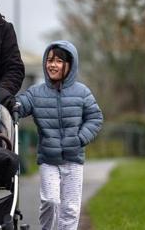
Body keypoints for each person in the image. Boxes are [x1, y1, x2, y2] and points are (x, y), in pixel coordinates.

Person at [16, 40, 103, 229]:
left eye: (58, 61)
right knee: (51, 200)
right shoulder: (36, 93)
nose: (52, 65)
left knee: (70, 209)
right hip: (49, 159)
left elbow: (95, 118)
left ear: (69, 65)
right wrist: (9, 103)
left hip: (73, 159)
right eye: (49, 60)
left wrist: (80, 139)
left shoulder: (82, 92)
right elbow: (19, 106)